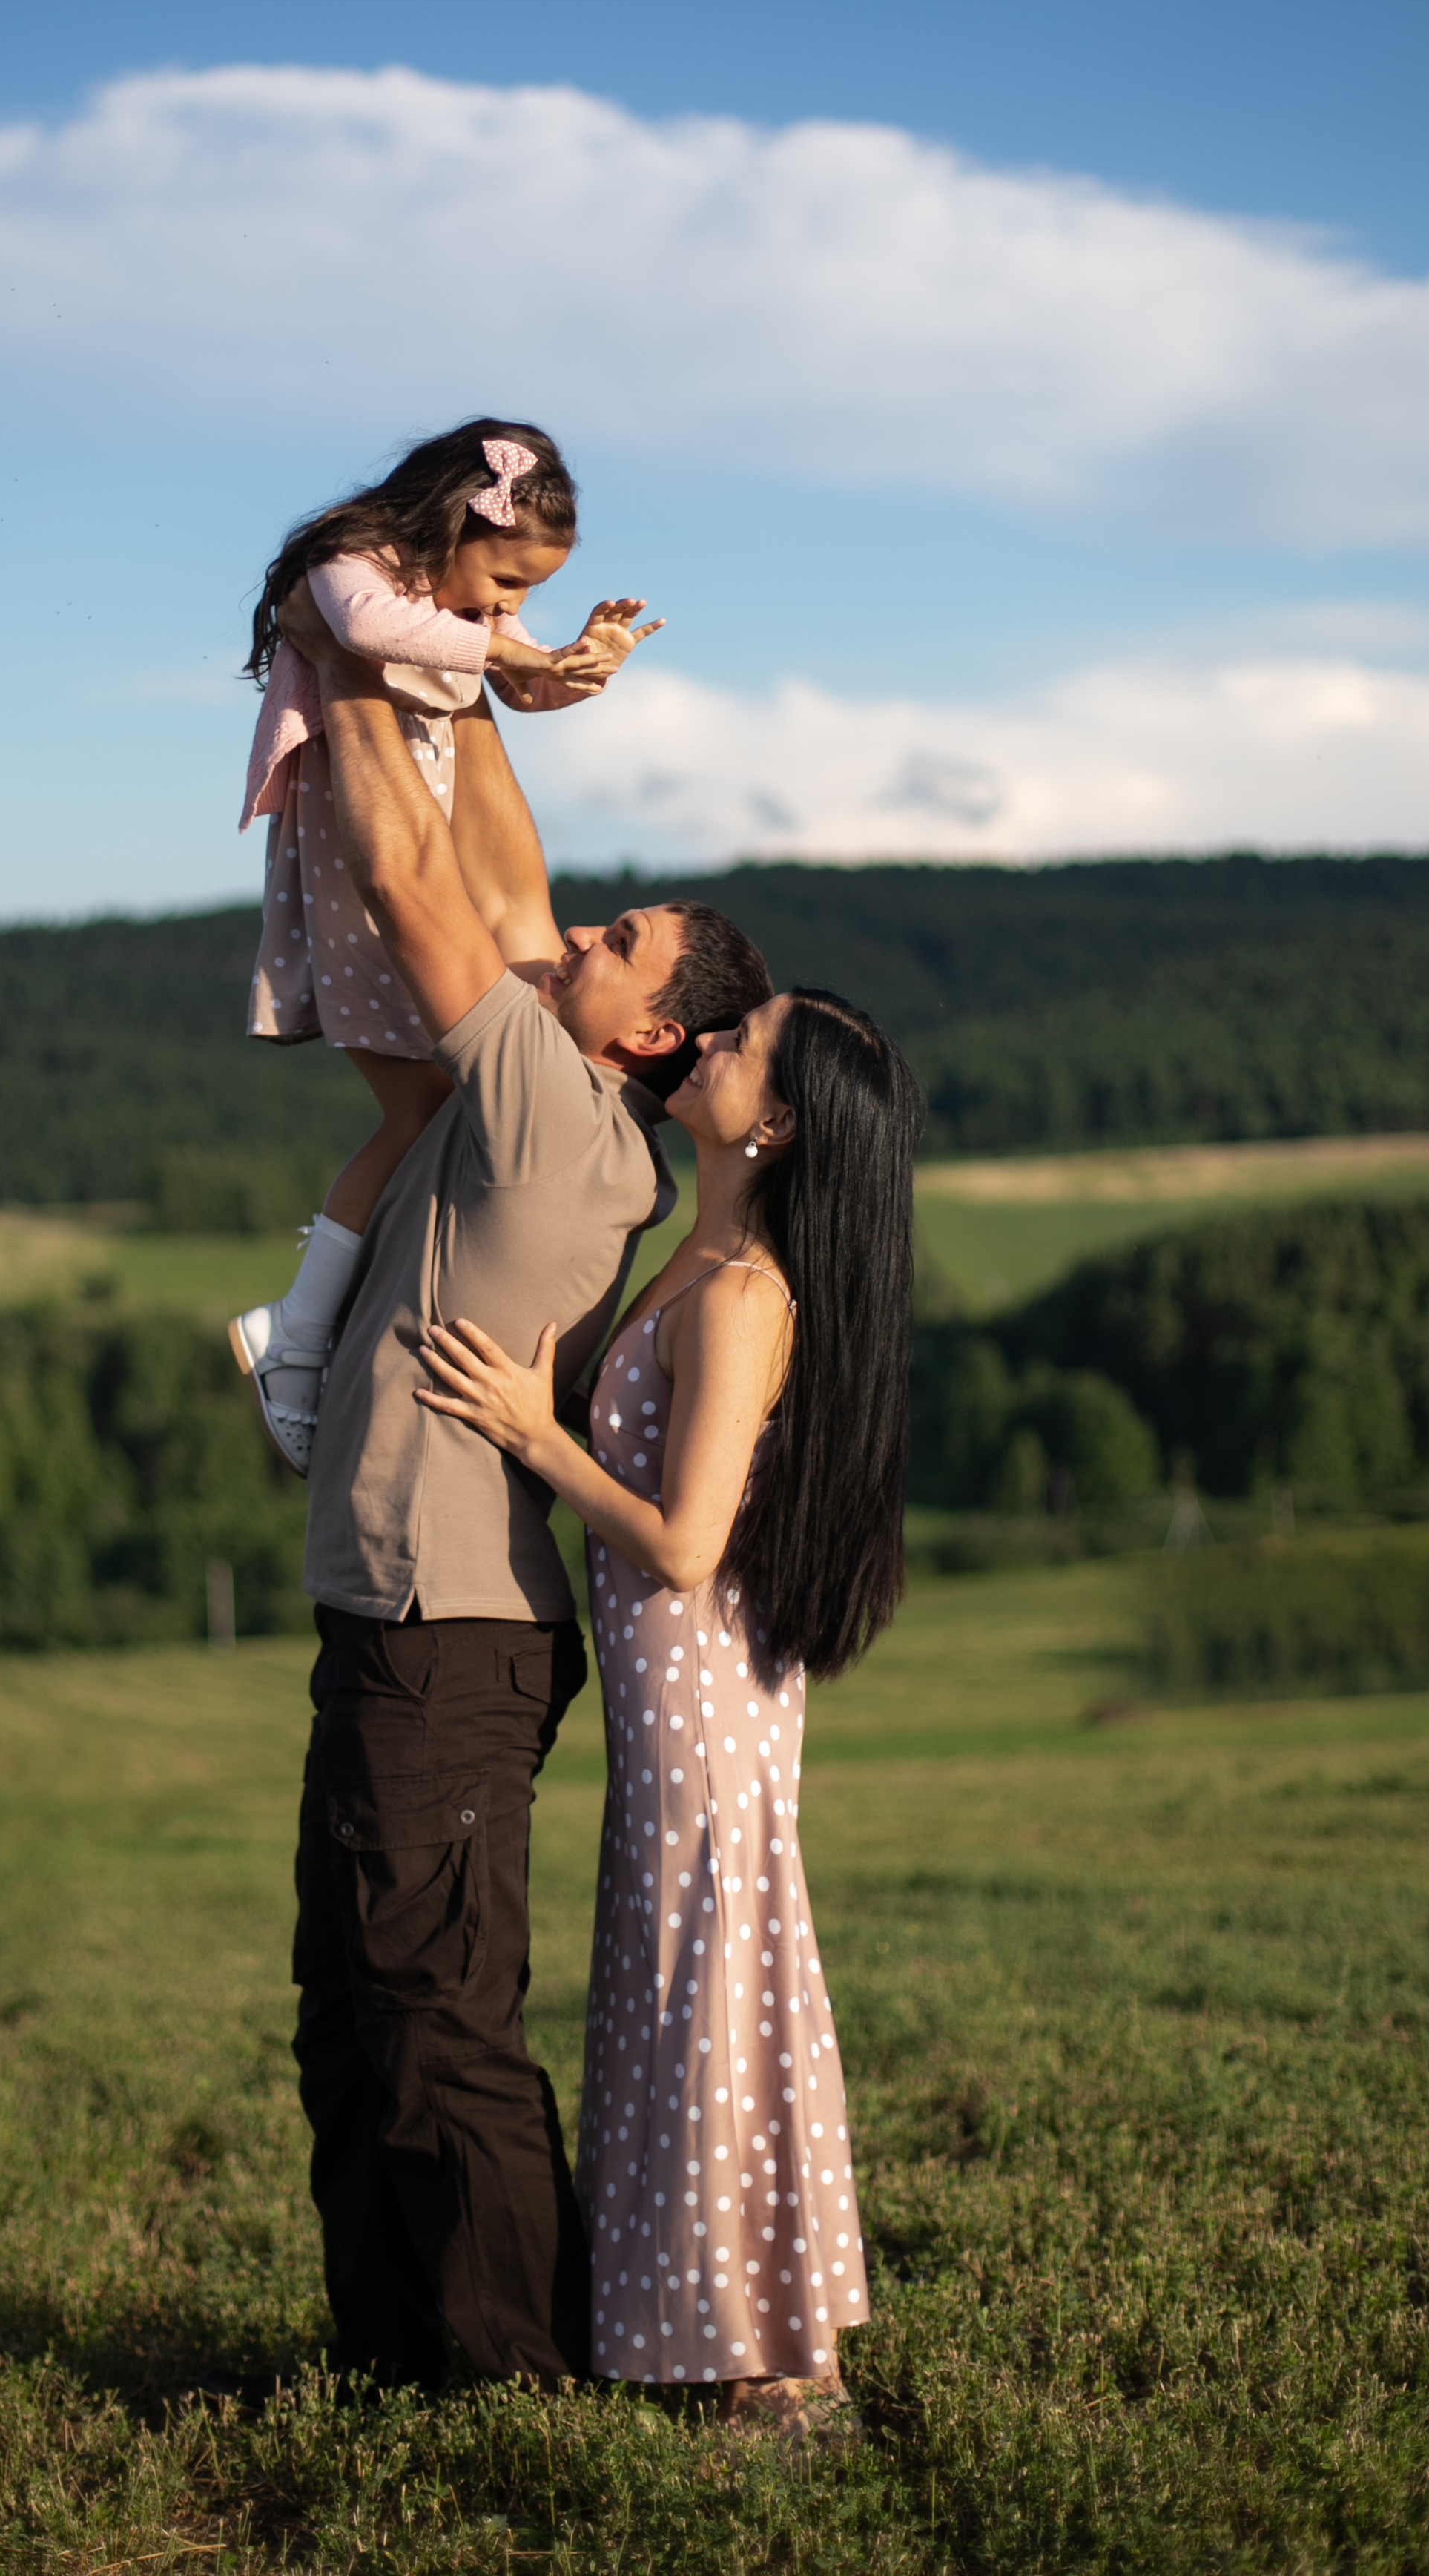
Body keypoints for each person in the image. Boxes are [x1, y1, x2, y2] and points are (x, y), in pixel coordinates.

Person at [277, 601, 773, 2391]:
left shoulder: (555, 1115)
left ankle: (516, 2380)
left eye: (617, 949)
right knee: (351, 2016)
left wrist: (350, 650)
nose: (571, 937)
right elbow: (504, 881)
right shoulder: (549, 1088)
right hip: (395, 1617)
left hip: (453, 1634)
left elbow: (423, 881)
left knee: (436, 2019)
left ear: (648, 1040)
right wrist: (478, 670)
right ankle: (388, 2364)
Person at [415, 985, 922, 2437]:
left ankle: (770, 2360)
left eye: (739, 1044)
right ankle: (714, 2332)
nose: (706, 1043)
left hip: (703, 1696)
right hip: (678, 1699)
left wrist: (535, 1435)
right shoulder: (698, 1258)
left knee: (708, 1988)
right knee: (683, 1983)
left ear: (775, 1124)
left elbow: (688, 1542)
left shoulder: (745, 1296)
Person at [230, 419, 661, 1472]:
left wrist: (574, 669)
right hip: (365, 856)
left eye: (526, 593)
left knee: (440, 1111)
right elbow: (369, 629)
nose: (507, 606)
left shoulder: (463, 606)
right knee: (419, 1111)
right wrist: (513, 646)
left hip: (435, 839)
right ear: (454, 522)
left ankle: (315, 1324)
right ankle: (297, 1334)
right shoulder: (354, 566)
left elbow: (511, 684)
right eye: (506, 579)